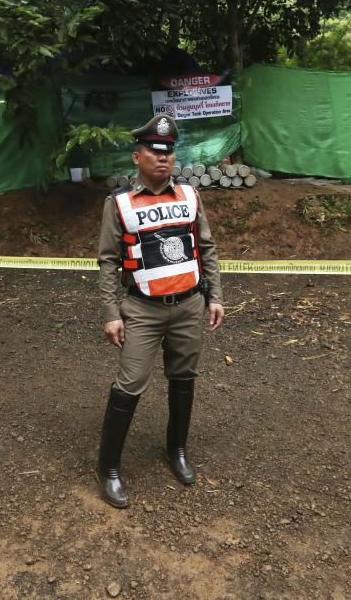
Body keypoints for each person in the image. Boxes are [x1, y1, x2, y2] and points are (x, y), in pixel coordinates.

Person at [95, 114, 225, 508]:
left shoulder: (189, 196)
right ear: (137, 157)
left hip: (188, 306)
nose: (163, 157)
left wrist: (215, 296)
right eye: (154, 151)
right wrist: (111, 312)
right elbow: (107, 261)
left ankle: (177, 451)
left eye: (169, 151)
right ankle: (109, 467)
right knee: (130, 383)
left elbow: (207, 248)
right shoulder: (119, 203)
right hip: (142, 310)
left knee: (184, 377)